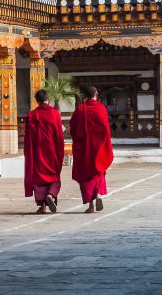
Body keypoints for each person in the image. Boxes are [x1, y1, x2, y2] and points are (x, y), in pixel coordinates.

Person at [69, 85, 114, 213]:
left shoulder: (80, 109)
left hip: (83, 149)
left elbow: (73, 128)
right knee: (98, 171)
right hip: (98, 148)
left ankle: (91, 205)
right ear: (96, 94)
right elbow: (105, 128)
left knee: (85, 175)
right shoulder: (101, 108)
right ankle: (98, 194)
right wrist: (104, 144)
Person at [23, 89, 64, 214]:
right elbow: (59, 135)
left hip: (37, 152)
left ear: (37, 101)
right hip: (52, 152)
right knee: (54, 176)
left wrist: (29, 153)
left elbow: (28, 138)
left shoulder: (32, 115)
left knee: (39, 180)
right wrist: (60, 151)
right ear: (48, 100)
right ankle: (51, 195)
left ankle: (42, 207)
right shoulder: (55, 114)